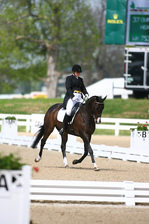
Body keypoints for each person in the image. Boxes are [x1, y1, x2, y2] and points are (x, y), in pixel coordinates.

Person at [59, 64, 89, 135]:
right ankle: (63, 127)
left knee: (85, 110)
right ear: (74, 72)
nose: (78, 74)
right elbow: (68, 88)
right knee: (69, 111)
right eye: (77, 72)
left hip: (79, 97)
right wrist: (72, 96)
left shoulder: (81, 79)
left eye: (79, 73)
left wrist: (86, 94)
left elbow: (83, 88)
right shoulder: (69, 78)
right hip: (71, 97)